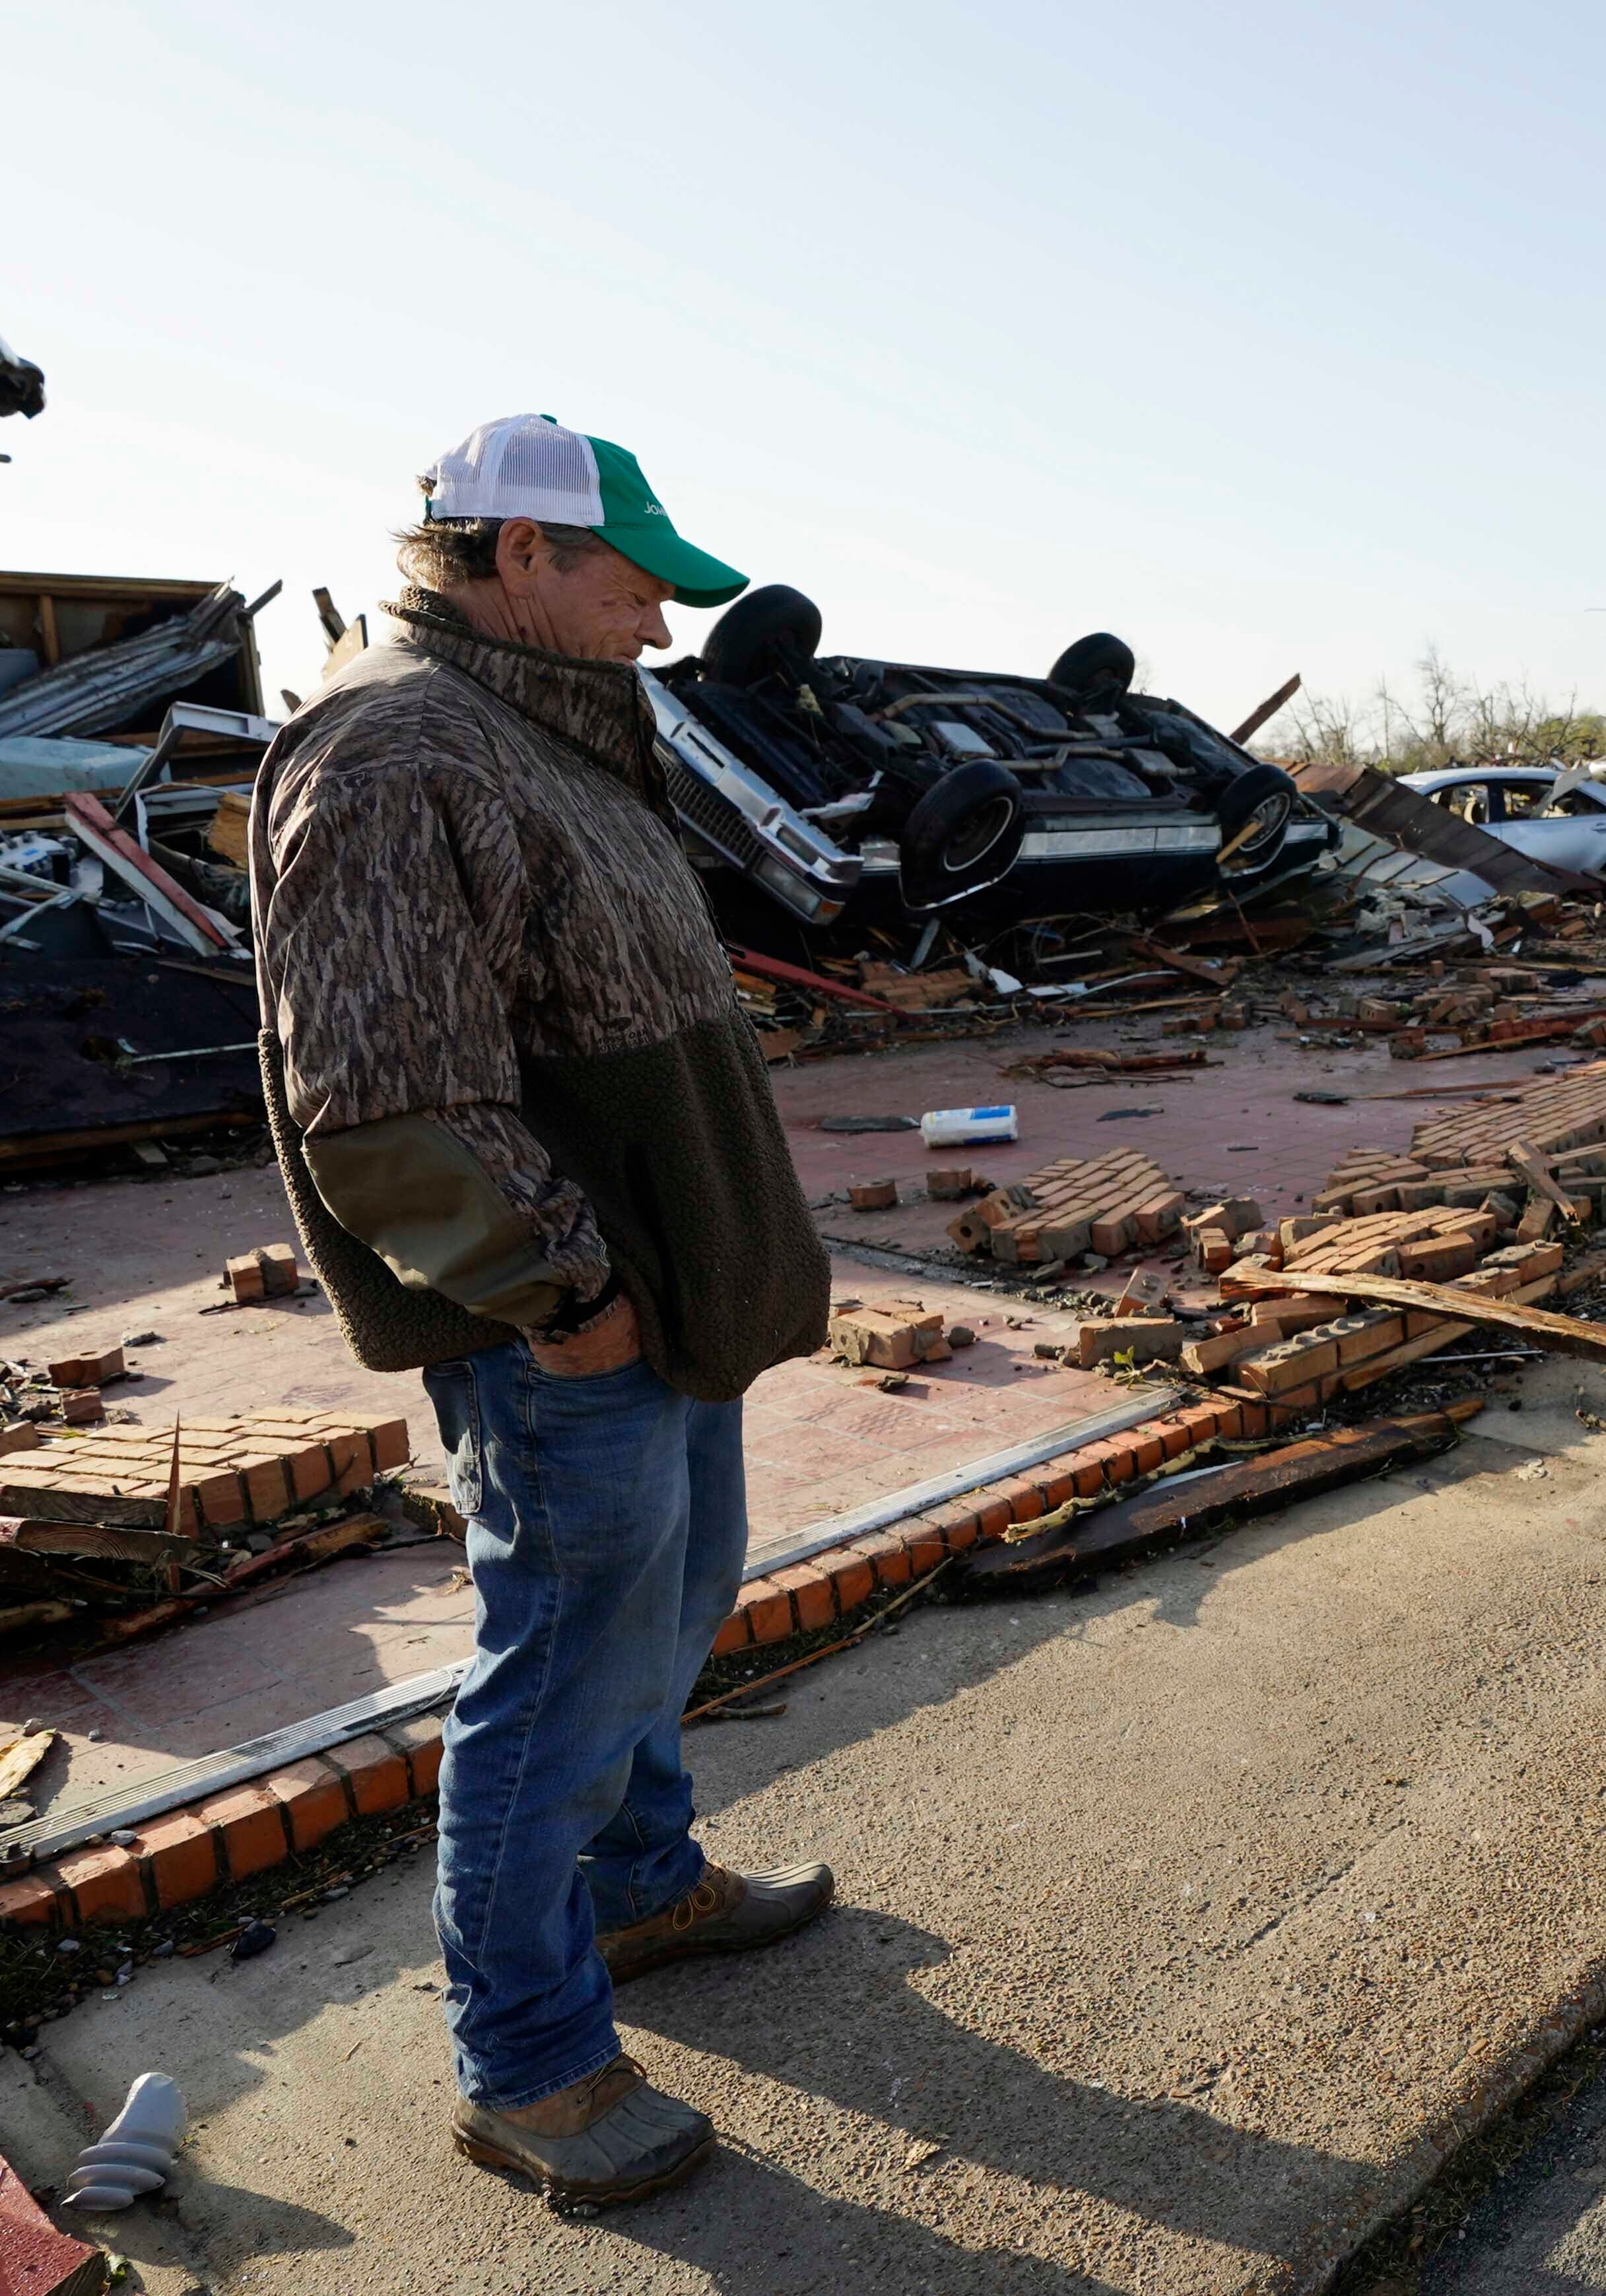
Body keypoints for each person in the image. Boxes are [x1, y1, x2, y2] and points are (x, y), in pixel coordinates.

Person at [252, 414, 838, 2204]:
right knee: (561, 1683)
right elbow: (385, 1094)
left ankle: (641, 1887)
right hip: (575, 1321)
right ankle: (528, 2068)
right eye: (637, 587)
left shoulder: (543, 727)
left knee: (664, 1614)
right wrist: (563, 1296)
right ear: (521, 556)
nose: (661, 629)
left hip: (667, 1304)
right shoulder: (396, 748)